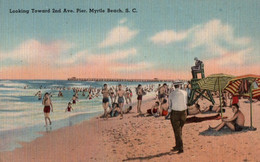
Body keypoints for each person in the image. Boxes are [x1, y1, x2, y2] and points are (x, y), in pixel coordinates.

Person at [169, 83, 188, 154]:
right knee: (179, 130)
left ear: (174, 86)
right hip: (183, 113)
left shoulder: (171, 94)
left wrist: (169, 112)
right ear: (180, 86)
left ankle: (181, 148)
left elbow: (170, 105)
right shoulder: (185, 92)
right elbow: (186, 102)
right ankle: (177, 145)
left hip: (175, 113)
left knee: (177, 131)